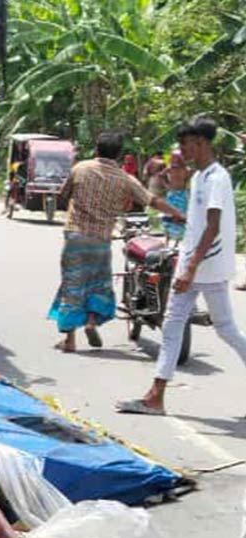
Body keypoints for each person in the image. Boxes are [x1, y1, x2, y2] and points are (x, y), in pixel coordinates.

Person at [117, 117, 246, 416]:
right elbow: (199, 224)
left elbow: (212, 226)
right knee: (195, 327)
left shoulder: (216, 177)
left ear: (201, 142)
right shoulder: (199, 177)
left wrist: (190, 269)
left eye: (186, 143)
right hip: (199, 265)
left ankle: (155, 397)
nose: (182, 149)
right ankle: (155, 396)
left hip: (204, 267)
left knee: (198, 327)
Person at [48, 132, 184, 353]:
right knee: (98, 283)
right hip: (101, 239)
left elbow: (63, 196)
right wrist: (177, 213)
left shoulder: (80, 168)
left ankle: (70, 340)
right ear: (119, 155)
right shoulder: (124, 178)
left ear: (96, 149)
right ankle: (91, 321)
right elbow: (152, 200)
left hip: (75, 235)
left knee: (72, 285)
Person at [161, 149, 190, 244]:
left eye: (177, 158)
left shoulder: (186, 169)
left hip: (181, 194)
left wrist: (186, 187)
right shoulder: (169, 168)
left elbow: (188, 179)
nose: (175, 160)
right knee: (168, 215)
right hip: (172, 193)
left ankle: (177, 241)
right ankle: (167, 239)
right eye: (174, 158)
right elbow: (161, 175)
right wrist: (167, 185)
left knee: (180, 216)